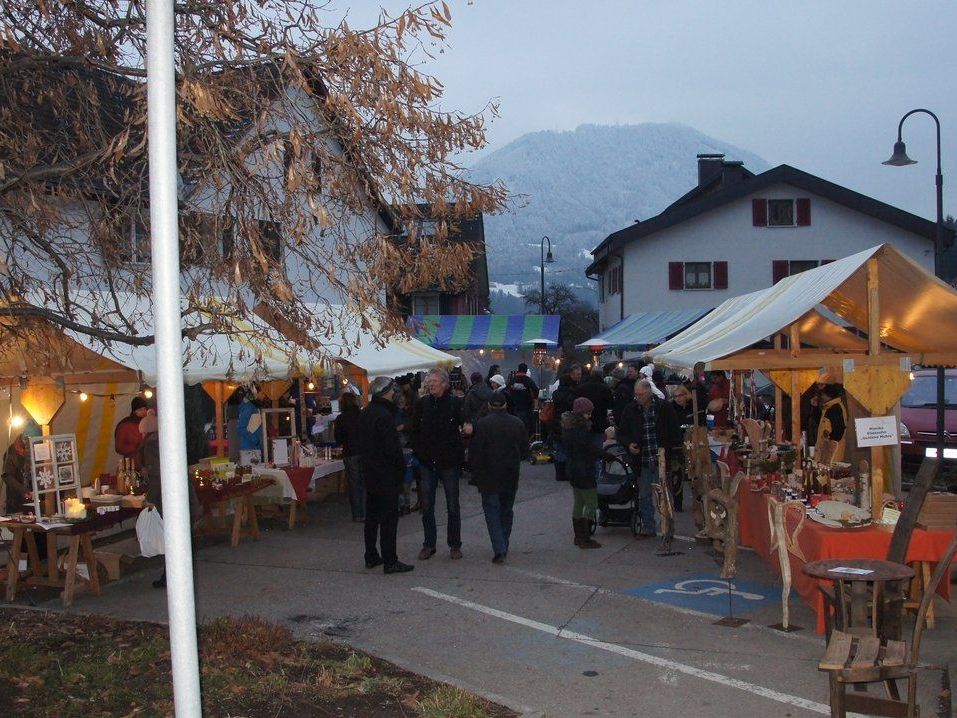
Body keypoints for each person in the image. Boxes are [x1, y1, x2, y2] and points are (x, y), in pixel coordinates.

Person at [411, 367, 469, 561]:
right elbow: (414, 430)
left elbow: (465, 423)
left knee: (453, 505)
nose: (430, 384)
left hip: (449, 462)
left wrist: (469, 426)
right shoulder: (422, 404)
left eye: (434, 381)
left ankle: (455, 544)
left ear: (444, 383)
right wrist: (419, 453)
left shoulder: (455, 403)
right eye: (429, 381)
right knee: (427, 505)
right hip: (427, 461)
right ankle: (429, 544)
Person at [358, 377, 413, 574]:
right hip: (386, 474)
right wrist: (400, 468)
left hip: (371, 472)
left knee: (372, 517)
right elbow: (391, 448)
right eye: (392, 390)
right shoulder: (384, 415)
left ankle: (371, 555)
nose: (394, 393)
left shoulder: (366, 413)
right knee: (389, 519)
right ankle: (390, 560)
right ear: (387, 392)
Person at [141, 410, 200, 588]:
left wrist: (151, 498)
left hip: (169, 497)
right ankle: (179, 576)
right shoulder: (171, 439)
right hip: (182, 493)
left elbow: (156, 475)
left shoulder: (152, 445)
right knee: (181, 538)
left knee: (173, 538)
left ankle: (173, 578)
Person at [617, 379, 681, 537]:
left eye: (641, 394)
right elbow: (622, 432)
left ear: (649, 392)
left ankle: (668, 527)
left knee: (664, 495)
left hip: (661, 457)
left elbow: (674, 430)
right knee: (644, 495)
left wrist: (672, 451)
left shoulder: (663, 407)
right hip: (642, 460)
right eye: (636, 394)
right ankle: (648, 526)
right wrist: (629, 444)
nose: (637, 397)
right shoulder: (631, 409)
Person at [470, 392, 528, 563]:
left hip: (488, 475)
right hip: (510, 473)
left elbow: (474, 453)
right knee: (506, 510)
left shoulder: (482, 424)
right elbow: (525, 450)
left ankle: (499, 547)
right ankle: (504, 542)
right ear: (505, 406)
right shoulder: (517, 423)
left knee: (492, 512)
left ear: (489, 406)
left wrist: (474, 471)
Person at [562, 397, 604, 549]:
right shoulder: (581, 431)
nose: (590, 415)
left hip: (573, 469)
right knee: (591, 502)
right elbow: (590, 449)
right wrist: (605, 455)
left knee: (579, 502)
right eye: (588, 413)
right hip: (584, 470)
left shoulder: (568, 428)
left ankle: (578, 536)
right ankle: (585, 537)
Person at [333, 392, 365, 522]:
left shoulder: (341, 418)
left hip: (350, 452)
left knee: (354, 484)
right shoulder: (362, 415)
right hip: (364, 451)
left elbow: (338, 439)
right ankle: (368, 511)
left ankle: (358, 514)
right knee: (365, 482)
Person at [550, 373, 577, 482]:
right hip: (568, 422)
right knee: (568, 449)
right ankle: (567, 473)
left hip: (557, 421)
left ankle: (559, 474)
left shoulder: (555, 393)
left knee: (559, 449)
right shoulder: (572, 394)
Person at [574, 368, 614, 436]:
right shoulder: (605, 388)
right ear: (601, 375)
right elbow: (610, 404)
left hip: (583, 422)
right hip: (599, 421)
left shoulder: (581, 387)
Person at [816, 383, 848, 461]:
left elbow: (838, 431)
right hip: (828, 453)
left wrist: (829, 447)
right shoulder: (829, 407)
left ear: (829, 395)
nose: (821, 397)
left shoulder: (835, 408)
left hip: (832, 454)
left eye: (822, 394)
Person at [115, 396, 149, 469]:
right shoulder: (125, 425)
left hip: (148, 464)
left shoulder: (148, 423)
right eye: (140, 409)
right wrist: (136, 447)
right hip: (132, 465)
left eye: (145, 409)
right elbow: (119, 447)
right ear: (134, 411)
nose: (144, 412)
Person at [507, 363, 539, 434]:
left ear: (518, 370)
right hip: (526, 408)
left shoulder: (512, 380)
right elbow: (536, 391)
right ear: (525, 371)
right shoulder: (528, 380)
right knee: (525, 428)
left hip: (513, 408)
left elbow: (506, 391)